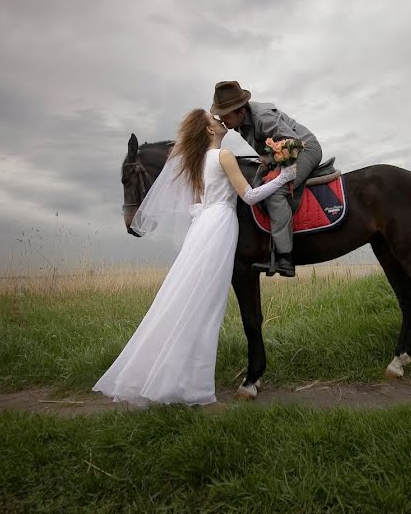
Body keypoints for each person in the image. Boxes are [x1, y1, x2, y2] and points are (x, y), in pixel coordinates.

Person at [93, 108, 296, 408]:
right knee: (208, 308)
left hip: (204, 229)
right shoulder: (224, 156)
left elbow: (199, 203)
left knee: (191, 303)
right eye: (215, 120)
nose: (220, 120)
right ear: (209, 131)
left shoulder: (196, 164)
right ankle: (194, 389)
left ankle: (173, 378)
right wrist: (285, 176)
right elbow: (250, 196)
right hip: (221, 226)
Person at [210, 80, 322, 277]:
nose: (223, 120)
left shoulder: (263, 118)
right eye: (220, 115)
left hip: (304, 149)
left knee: (275, 192)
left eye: (225, 115)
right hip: (285, 153)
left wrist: (270, 159)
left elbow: (293, 144)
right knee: (257, 185)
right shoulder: (240, 123)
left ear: (241, 111)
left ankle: (285, 258)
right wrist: (268, 159)